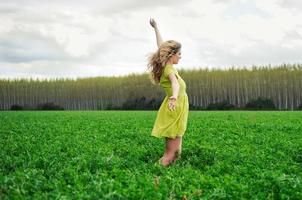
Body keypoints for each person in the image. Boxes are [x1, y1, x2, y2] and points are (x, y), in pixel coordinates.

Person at [147, 18, 189, 167]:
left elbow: (161, 46)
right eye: (179, 53)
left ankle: (169, 181)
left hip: (177, 109)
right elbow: (175, 84)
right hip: (174, 108)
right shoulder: (169, 70)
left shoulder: (167, 65)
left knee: (176, 153)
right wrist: (174, 97)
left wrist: (156, 28)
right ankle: (152, 177)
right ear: (172, 55)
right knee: (171, 154)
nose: (180, 56)